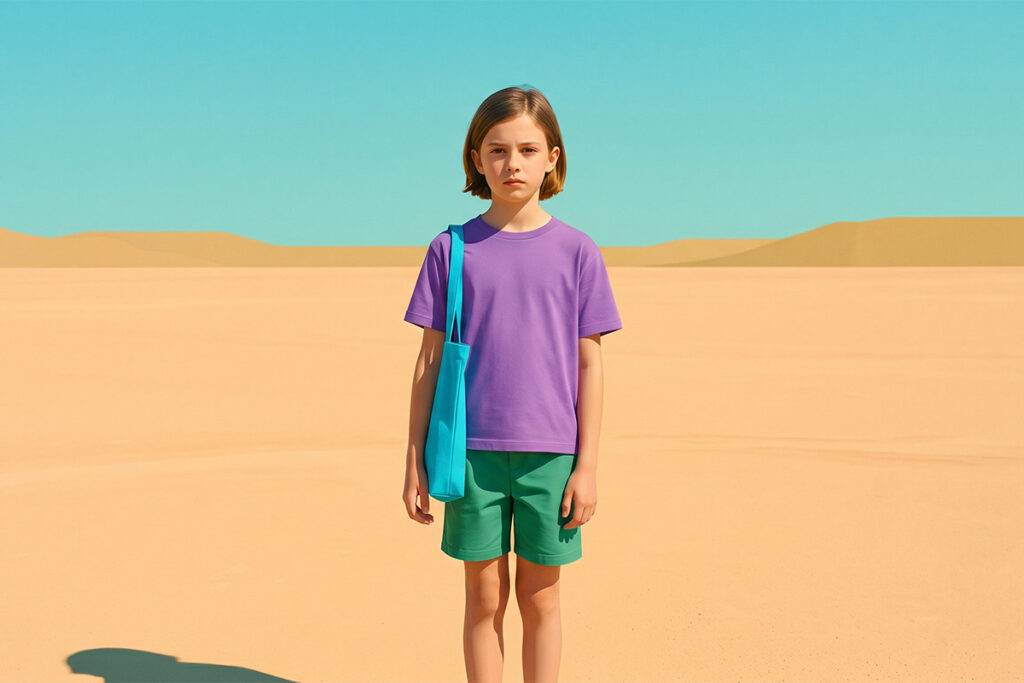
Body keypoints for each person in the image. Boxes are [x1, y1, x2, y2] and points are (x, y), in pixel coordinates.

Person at [401, 85, 623, 683]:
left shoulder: (578, 251)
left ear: (553, 157)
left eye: (528, 149)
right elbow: (427, 363)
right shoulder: (450, 250)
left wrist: (588, 465)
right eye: (497, 150)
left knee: (542, 598)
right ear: (477, 158)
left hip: (552, 456)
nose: (512, 163)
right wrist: (414, 457)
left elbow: (590, 365)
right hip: (469, 455)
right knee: (483, 597)